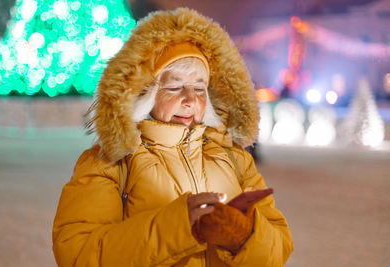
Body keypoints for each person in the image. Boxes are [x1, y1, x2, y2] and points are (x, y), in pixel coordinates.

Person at [52, 8, 293, 266]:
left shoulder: (235, 159)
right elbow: (78, 253)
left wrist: (245, 236)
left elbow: (281, 244)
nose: (190, 100)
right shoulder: (112, 163)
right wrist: (178, 227)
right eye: (174, 87)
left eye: (199, 88)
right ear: (147, 93)